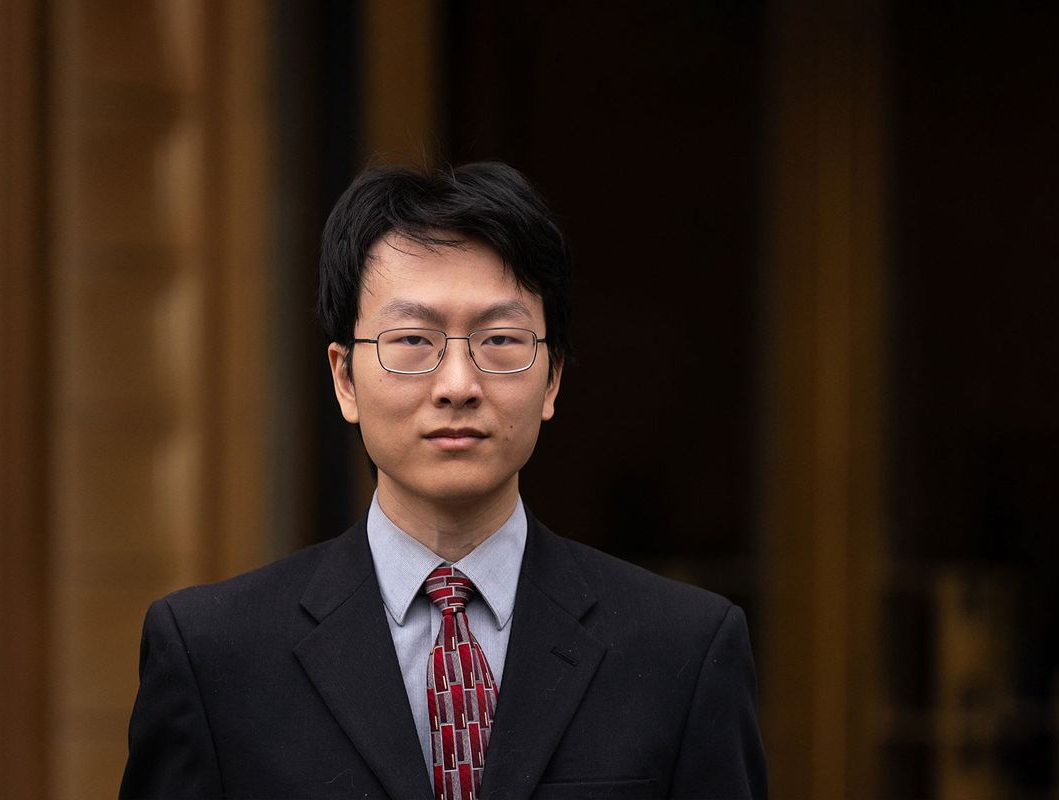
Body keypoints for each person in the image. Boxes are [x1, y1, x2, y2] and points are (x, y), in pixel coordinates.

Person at [120, 162, 767, 799]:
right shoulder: (215, 655)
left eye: (500, 340)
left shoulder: (681, 651)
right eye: (413, 340)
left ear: (554, 377)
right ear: (344, 379)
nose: (458, 385)